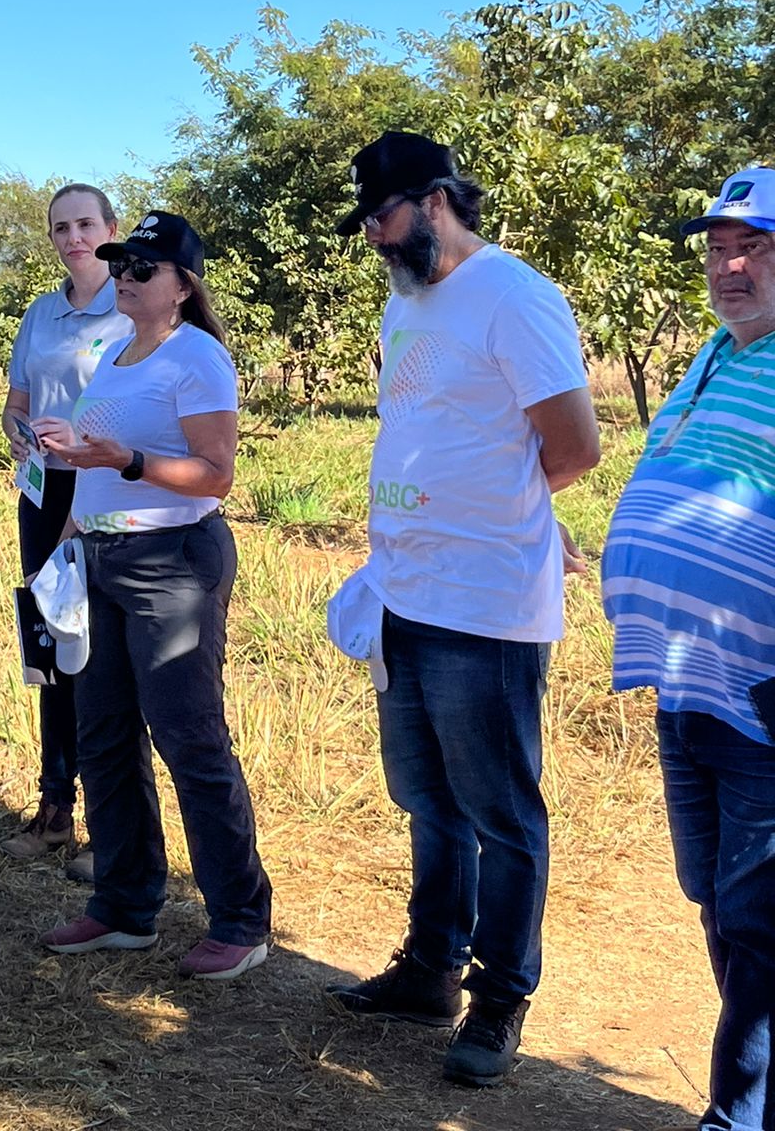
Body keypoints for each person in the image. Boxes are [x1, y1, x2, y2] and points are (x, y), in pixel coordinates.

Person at [325, 131, 600, 1086]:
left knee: (500, 812)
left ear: (438, 199)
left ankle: (499, 999)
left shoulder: (516, 296)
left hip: (484, 604)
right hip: (406, 591)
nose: (373, 237)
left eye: (385, 216)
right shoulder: (409, 301)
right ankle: (428, 968)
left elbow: (571, 445)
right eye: (365, 219)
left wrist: (514, 521)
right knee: (426, 798)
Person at [32, 210, 271, 980]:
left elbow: (216, 473)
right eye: (121, 264)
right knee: (101, 732)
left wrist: (128, 459)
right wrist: (70, 525)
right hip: (99, 556)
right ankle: (125, 904)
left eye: (142, 268)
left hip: (171, 561)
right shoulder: (115, 353)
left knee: (188, 737)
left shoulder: (196, 356)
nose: (125, 276)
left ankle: (239, 917)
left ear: (181, 286)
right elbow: (97, 464)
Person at [602, 166, 775, 1131]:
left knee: (757, 922)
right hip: (689, 683)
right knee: (718, 900)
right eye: (717, 246)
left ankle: (738, 1115)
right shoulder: (715, 354)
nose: (729, 264)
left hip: (762, 694)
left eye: (754, 245)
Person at [0, 183, 132, 877]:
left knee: (103, 655)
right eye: (61, 228)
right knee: (49, 643)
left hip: (105, 491)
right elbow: (16, 402)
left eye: (85, 224)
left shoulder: (132, 310)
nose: (74, 237)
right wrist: (18, 434)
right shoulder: (41, 314)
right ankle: (55, 809)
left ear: (112, 229)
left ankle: (115, 824)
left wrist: (84, 437)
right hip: (45, 492)